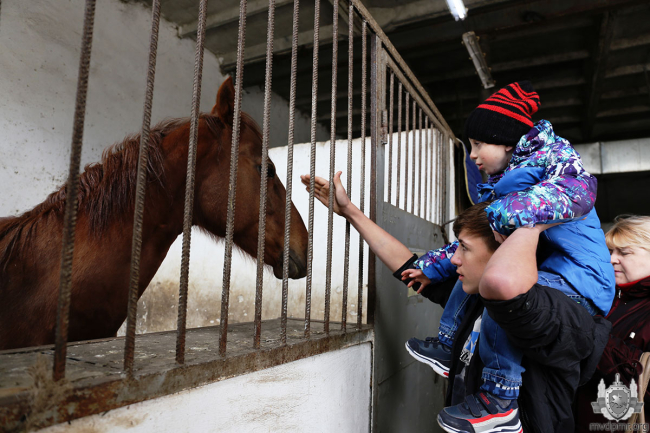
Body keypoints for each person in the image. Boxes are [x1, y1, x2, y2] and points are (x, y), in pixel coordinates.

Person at [299, 173, 610, 433]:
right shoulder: (471, 299)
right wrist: (350, 211)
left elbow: (513, 291)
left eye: (464, 248)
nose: (455, 259)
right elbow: (409, 268)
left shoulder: (555, 315)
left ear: (502, 250)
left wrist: (531, 222)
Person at [402, 81, 614, 415]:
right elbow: (475, 241)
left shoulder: (552, 159)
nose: (472, 155)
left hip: (582, 278)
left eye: (478, 144)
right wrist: (430, 265)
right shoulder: (507, 184)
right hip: (552, 270)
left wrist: (505, 212)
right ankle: (447, 345)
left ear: (506, 142)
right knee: (479, 271)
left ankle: (500, 393)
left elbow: (579, 191)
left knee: (504, 296)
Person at [574, 216, 650, 430]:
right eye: (610, 252)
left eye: (624, 252)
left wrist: (592, 335)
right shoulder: (602, 296)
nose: (612, 259)